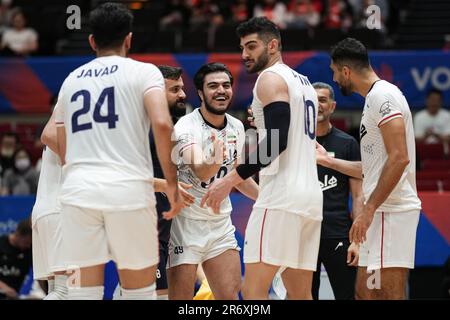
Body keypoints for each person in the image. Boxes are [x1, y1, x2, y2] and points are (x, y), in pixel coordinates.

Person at [54, 3, 184, 300]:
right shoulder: (143, 72)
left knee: (81, 293)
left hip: (78, 194)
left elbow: (62, 146)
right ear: (129, 39)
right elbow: (163, 124)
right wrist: (173, 186)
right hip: (128, 193)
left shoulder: (70, 80)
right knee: (140, 293)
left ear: (91, 41)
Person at [201, 17, 323, 300]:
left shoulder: (269, 78)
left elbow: (276, 141)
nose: (245, 54)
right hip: (310, 198)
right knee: (301, 293)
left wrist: (229, 181)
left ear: (273, 45)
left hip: (281, 195)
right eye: (242, 47)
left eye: (252, 46)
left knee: (253, 291)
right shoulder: (303, 82)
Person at [319, 37, 422, 299]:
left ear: (346, 71)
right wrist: (328, 161)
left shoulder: (382, 96)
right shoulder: (373, 99)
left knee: (386, 292)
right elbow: (374, 167)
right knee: (366, 292)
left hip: (391, 209)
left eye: (334, 72)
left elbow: (400, 158)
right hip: (380, 210)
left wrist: (368, 210)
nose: (334, 79)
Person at [166, 62, 259, 300]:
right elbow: (200, 171)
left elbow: (236, 177)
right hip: (185, 225)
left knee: (230, 296)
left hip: (220, 225)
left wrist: (267, 200)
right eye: (213, 86)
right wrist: (216, 157)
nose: (221, 91)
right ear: (200, 93)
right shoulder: (185, 127)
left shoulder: (236, 126)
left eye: (226, 85)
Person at [272, 82, 363, 300]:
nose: (318, 105)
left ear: (332, 106)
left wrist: (357, 241)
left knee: (347, 295)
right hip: (300, 233)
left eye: (322, 100)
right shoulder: (291, 142)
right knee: (302, 296)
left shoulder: (347, 143)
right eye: (312, 100)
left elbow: (359, 194)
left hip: (337, 233)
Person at [31, 108, 67, 300]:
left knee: (57, 290)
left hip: (48, 211)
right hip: (60, 211)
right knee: (65, 293)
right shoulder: (77, 100)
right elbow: (47, 135)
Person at [0, 218, 32, 300]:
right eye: (26, 243)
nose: (28, 246)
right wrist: (4, 288)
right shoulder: (1, 244)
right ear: (18, 234)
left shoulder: (29, 251)